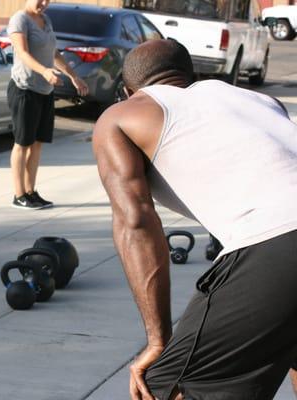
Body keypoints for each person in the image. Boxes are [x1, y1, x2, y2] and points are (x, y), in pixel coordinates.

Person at [91, 39, 297, 400]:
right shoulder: (259, 101)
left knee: (166, 388)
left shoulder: (123, 115)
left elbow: (135, 223)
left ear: (127, 92)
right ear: (194, 77)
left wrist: (159, 341)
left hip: (279, 237)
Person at [7, 0, 88, 210]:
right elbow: (23, 53)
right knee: (22, 143)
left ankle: (31, 192)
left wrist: (73, 76)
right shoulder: (20, 19)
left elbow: (54, 53)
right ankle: (19, 194)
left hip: (45, 90)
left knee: (37, 143)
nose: (44, 3)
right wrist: (44, 71)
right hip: (25, 89)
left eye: (47, 0)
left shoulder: (46, 20)